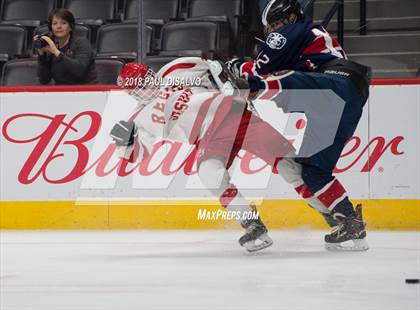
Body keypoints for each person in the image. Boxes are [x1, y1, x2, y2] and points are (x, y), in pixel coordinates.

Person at [109, 58, 296, 252]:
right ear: (133, 94)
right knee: (210, 174)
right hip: (209, 136)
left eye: (147, 80)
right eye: (140, 88)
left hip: (231, 112)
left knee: (290, 163)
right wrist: (125, 144)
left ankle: (328, 208)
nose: (148, 88)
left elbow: (215, 65)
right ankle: (252, 224)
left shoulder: (176, 68)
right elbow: (137, 156)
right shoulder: (140, 118)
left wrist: (228, 84)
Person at [227, 0, 371, 251]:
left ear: (290, 18)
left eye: (274, 24)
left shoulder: (293, 30)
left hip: (335, 86)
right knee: (312, 170)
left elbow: (261, 70)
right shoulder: (304, 40)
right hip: (345, 101)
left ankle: (254, 89)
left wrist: (240, 69)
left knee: (281, 80)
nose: (273, 31)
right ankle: (351, 222)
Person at [34, 8, 98, 85]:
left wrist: (57, 52)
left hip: (87, 91)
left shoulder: (82, 43)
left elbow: (79, 70)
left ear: (70, 27)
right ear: (51, 28)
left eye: (63, 23)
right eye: (55, 23)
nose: (59, 26)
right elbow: (44, 80)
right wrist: (41, 56)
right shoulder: (50, 47)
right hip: (62, 92)